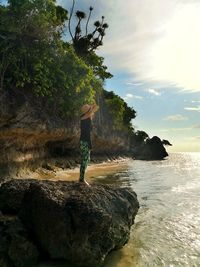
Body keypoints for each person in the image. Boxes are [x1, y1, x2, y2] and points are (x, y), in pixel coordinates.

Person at [79, 103, 98, 185]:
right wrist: (92, 107)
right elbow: (92, 110)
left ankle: (82, 178)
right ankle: (81, 179)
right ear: (86, 111)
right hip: (84, 141)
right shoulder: (83, 117)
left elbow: (92, 112)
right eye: (87, 107)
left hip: (86, 140)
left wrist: (92, 108)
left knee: (87, 160)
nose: (88, 106)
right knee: (84, 160)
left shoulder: (87, 117)